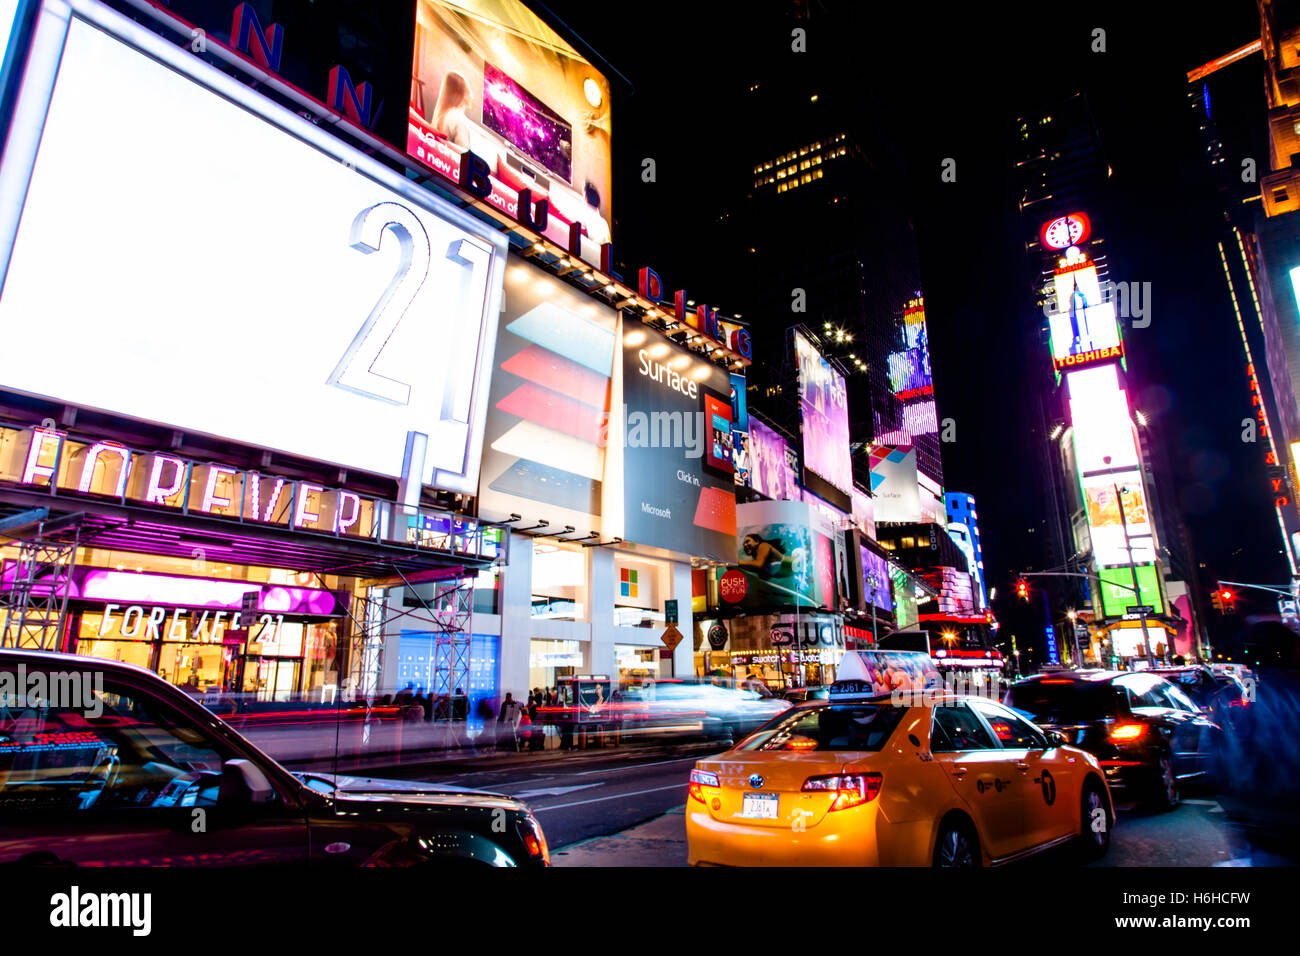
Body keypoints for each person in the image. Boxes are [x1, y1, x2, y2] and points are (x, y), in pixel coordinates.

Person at [430, 71, 472, 149]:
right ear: (463, 93)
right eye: (468, 90)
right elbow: (464, 154)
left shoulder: (440, 116)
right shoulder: (459, 119)